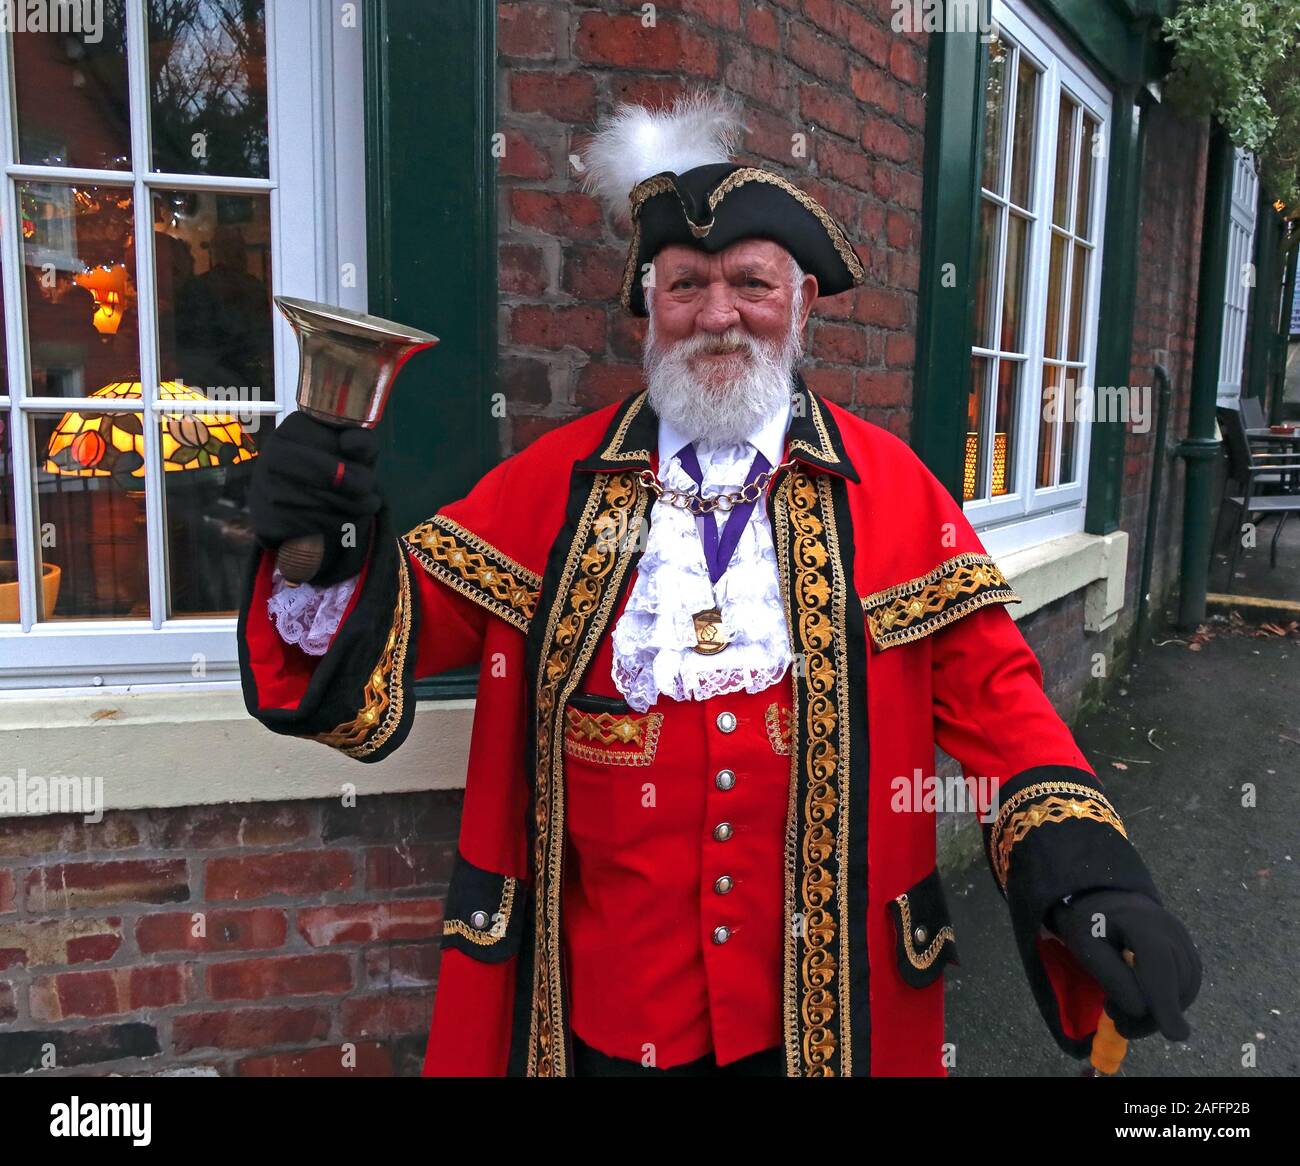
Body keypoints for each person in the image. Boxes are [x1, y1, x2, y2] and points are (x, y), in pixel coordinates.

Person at [237, 93, 1200, 1077]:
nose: (717, 314)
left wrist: (1088, 877)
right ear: (647, 309)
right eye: (685, 285)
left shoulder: (894, 493)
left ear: (802, 303)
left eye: (750, 281)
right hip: (599, 1021)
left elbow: (1000, 703)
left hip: (828, 1019)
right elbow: (389, 636)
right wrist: (328, 542)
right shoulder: (548, 486)